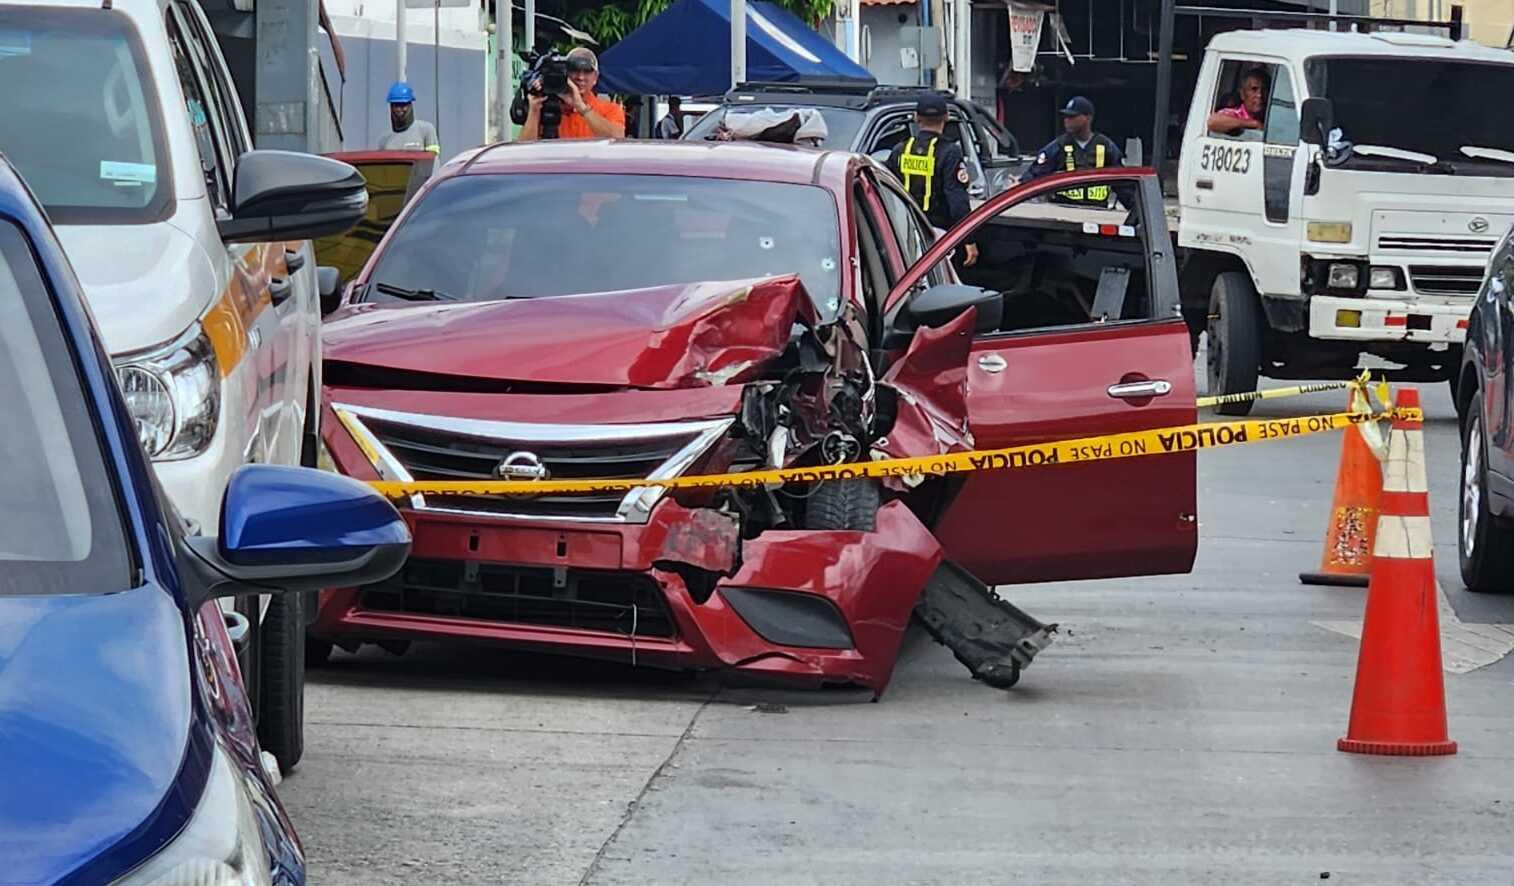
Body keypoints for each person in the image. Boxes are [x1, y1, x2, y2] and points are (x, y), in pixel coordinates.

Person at [886, 94, 977, 268]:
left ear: (916, 118)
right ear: (946, 117)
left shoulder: (900, 150)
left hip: (904, 234)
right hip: (939, 238)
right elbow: (957, 201)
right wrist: (968, 239)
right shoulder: (950, 152)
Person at [1020, 96, 1124, 205]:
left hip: (1097, 210)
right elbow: (1035, 175)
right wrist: (1020, 184)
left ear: (1088, 118)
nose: (1067, 120)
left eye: (1072, 117)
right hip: (1064, 209)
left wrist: (1133, 206)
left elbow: (1122, 182)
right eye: (1065, 117)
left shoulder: (1106, 146)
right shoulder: (1059, 146)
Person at [521, 47, 626, 141]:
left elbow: (618, 138)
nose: (580, 77)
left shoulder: (610, 109)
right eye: (574, 70)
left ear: (595, 77)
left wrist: (581, 107)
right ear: (565, 73)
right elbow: (524, 149)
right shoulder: (548, 105)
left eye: (587, 71)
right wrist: (534, 111)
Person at [378, 81, 440, 154]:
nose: (399, 109)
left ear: (410, 106)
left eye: (403, 105)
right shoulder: (384, 141)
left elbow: (433, 158)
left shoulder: (426, 130)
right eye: (396, 105)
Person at [1208, 67, 1269, 136]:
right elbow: (1212, 122)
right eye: (1254, 89)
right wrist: (1254, 124)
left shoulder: (1271, 117)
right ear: (1242, 94)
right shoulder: (1233, 115)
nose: (1259, 95)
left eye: (1264, 90)